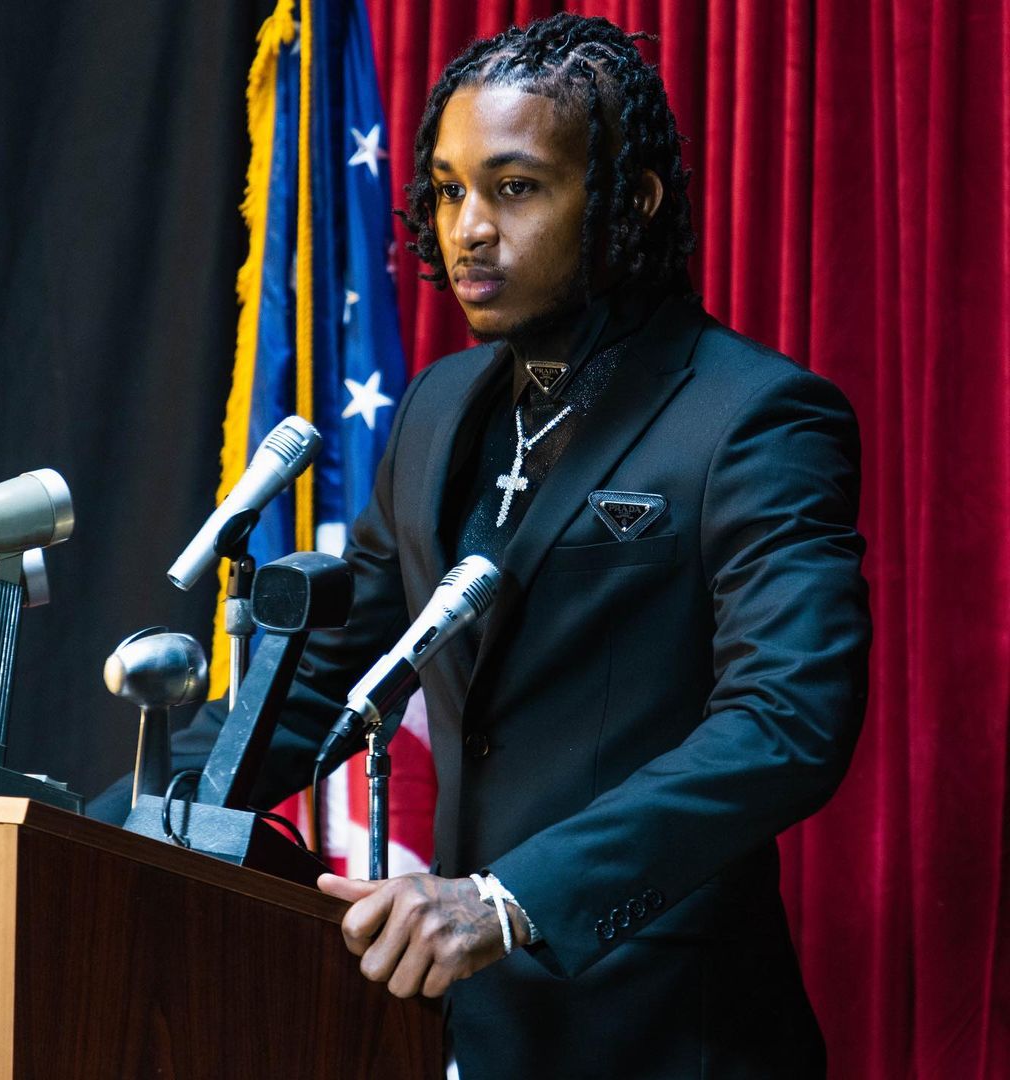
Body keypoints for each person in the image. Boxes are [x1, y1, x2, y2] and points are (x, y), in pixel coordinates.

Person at [97, 13, 871, 1077]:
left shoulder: (756, 417)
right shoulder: (437, 408)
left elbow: (787, 723)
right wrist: (113, 826)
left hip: (672, 1032)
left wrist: (510, 901)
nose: (469, 228)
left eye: (515, 188)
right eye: (450, 189)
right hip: (466, 1029)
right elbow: (327, 676)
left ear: (631, 200)